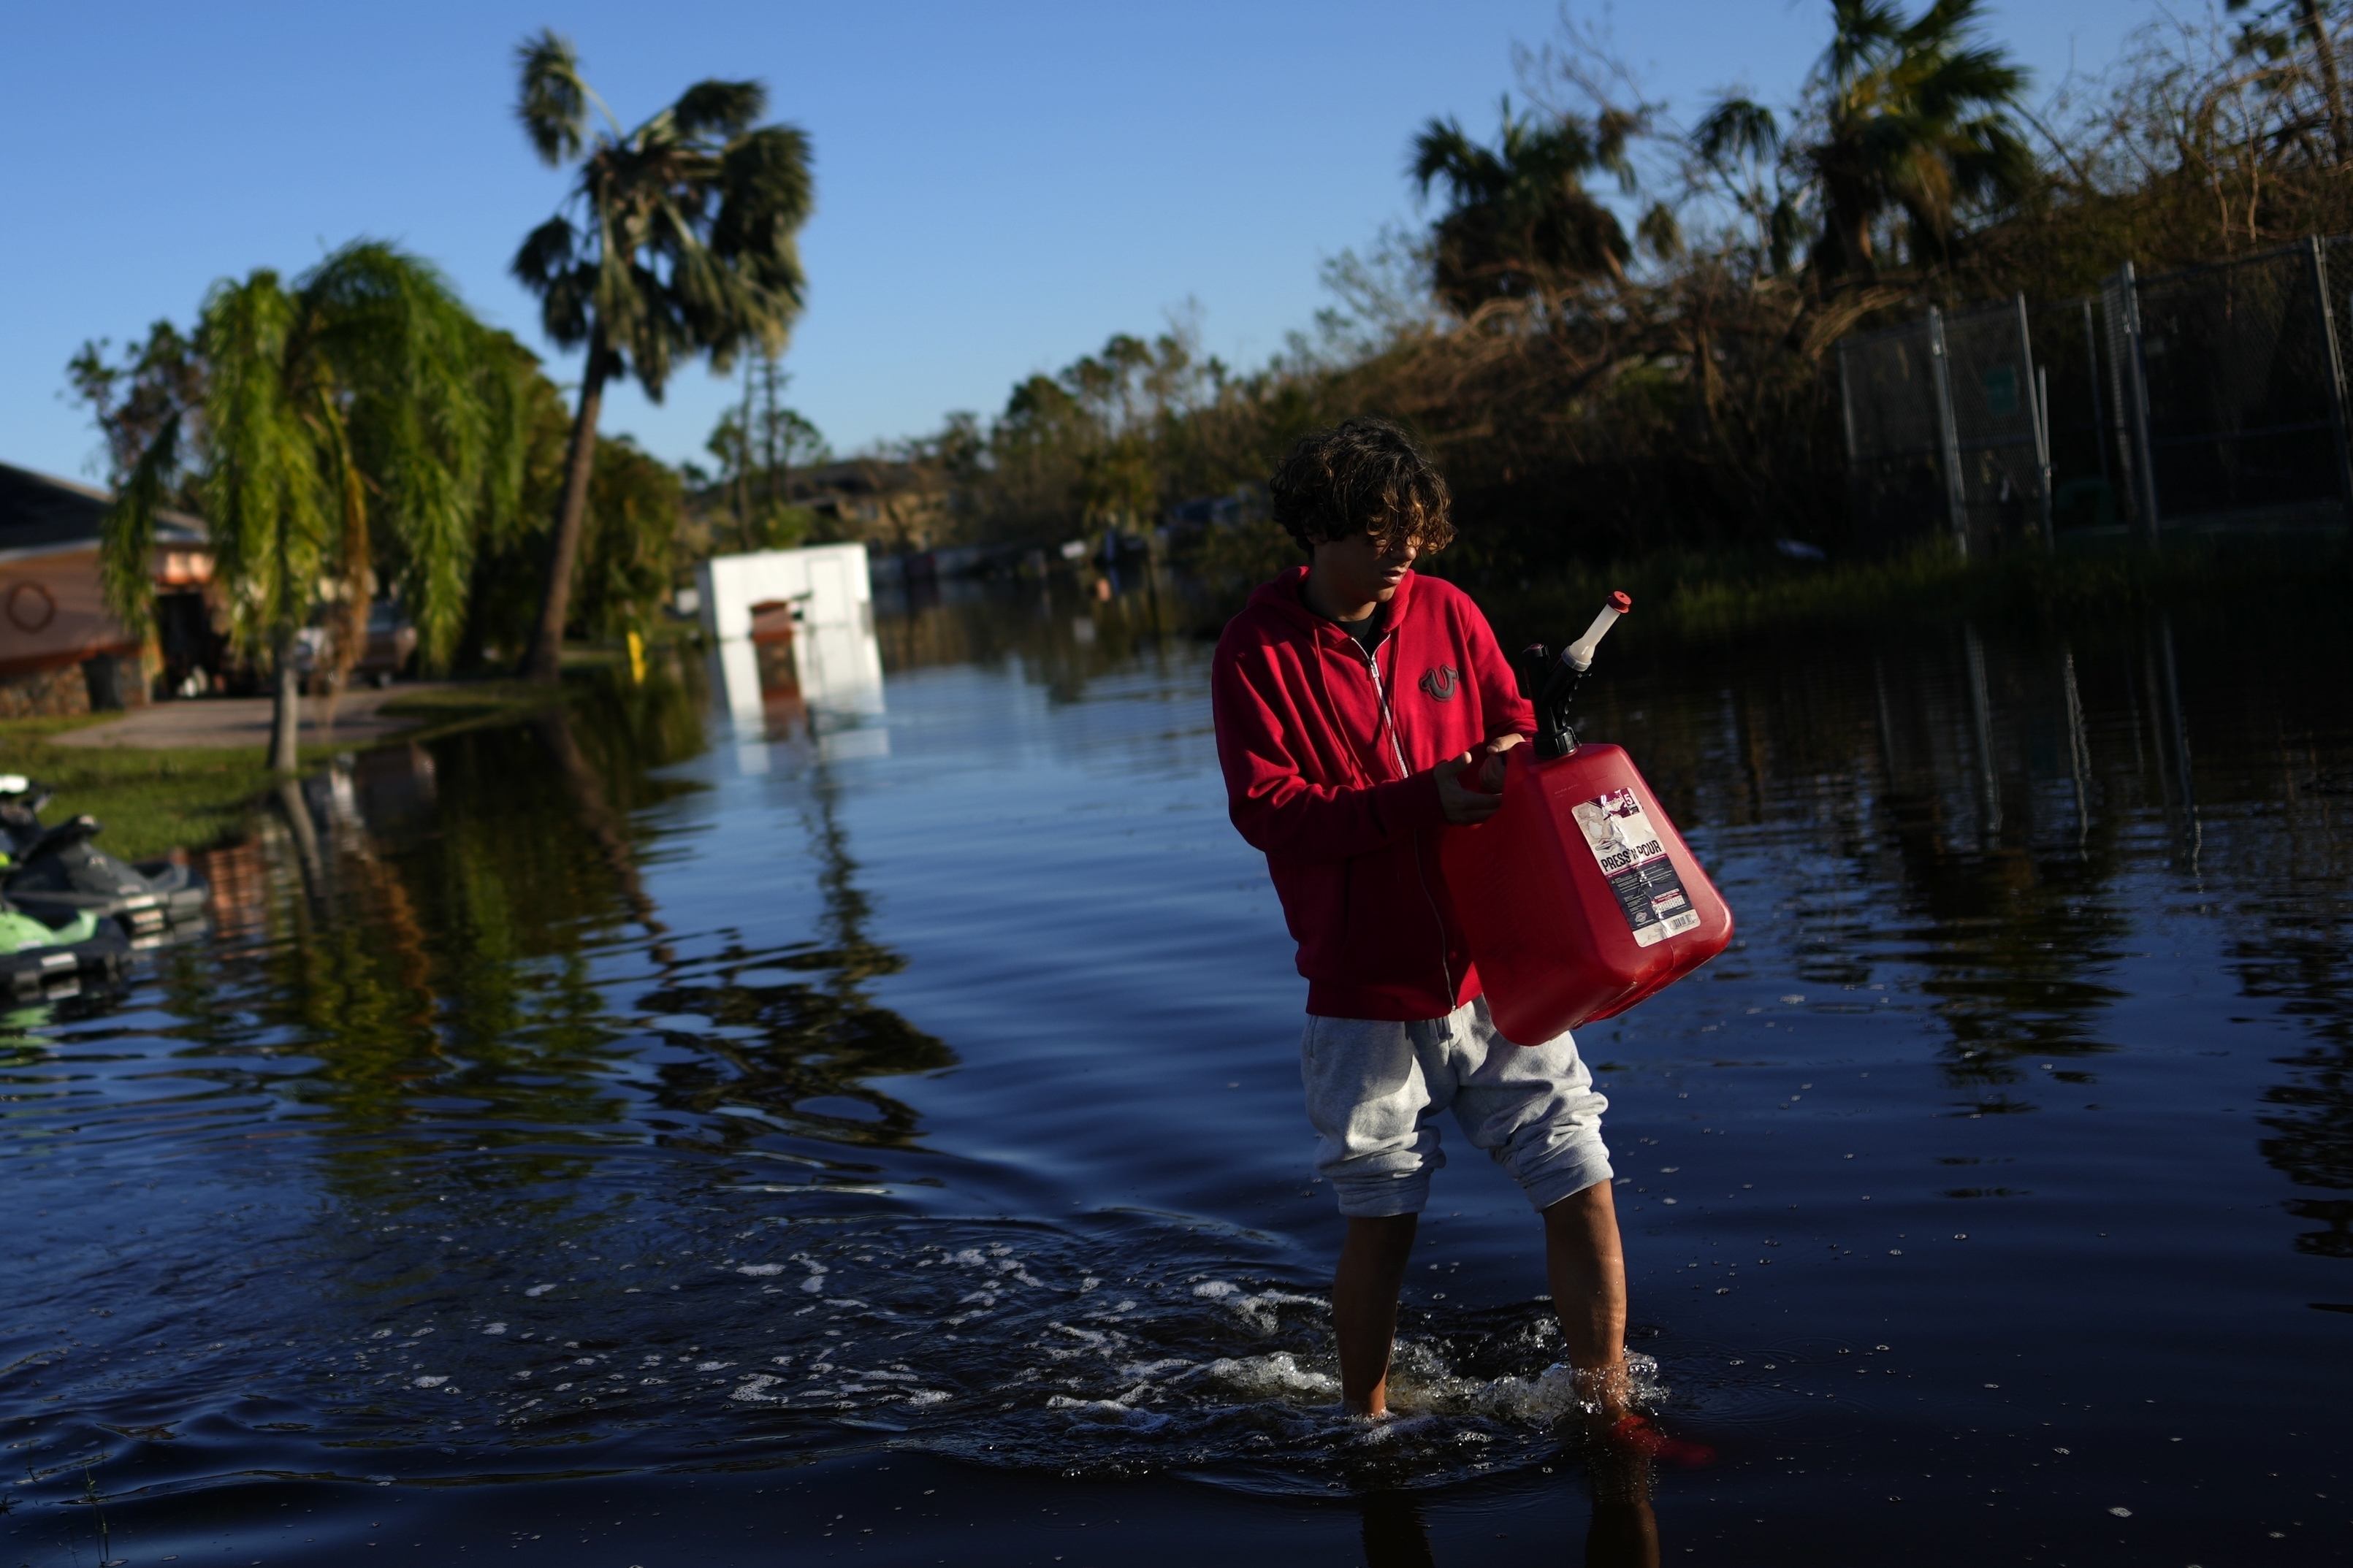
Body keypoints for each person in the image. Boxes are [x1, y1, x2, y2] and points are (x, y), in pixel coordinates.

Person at [1210, 417, 1685, 1458]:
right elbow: (1271, 811)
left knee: (1581, 1177)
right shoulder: (1255, 650)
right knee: (1382, 1221)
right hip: (1362, 992)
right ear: (1320, 530)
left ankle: (1611, 1411)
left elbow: (1508, 720)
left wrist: (1522, 744)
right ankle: (1364, 1428)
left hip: (1496, 970)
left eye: (1416, 533)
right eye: (1383, 532)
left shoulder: (1449, 613)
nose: (1406, 553)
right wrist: (1421, 800)